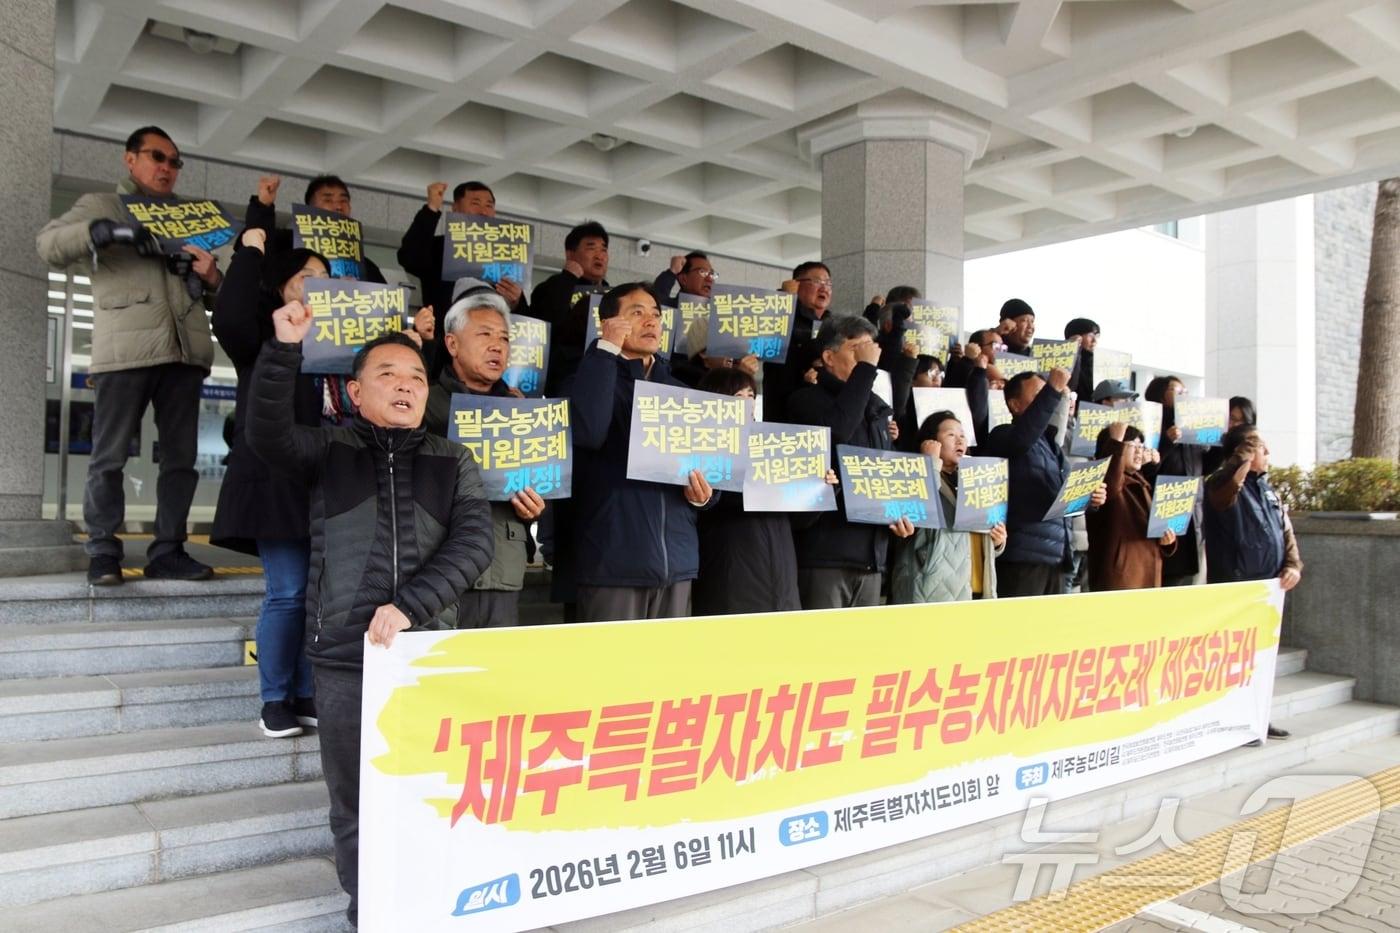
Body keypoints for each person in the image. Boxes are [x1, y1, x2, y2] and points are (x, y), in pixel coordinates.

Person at [246, 313, 494, 929]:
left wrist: (411, 606)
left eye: (415, 374)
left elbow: (473, 546)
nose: (405, 384)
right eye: (387, 374)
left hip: (427, 656)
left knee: (432, 793)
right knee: (354, 802)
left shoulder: (453, 458)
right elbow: (267, 433)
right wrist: (282, 349)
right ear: (356, 392)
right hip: (343, 661)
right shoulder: (329, 450)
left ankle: (428, 902)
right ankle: (369, 911)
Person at [36, 125, 223, 585]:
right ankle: (102, 549)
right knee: (109, 456)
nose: (166, 168)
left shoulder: (189, 218)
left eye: (175, 161)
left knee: (180, 459)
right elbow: (49, 244)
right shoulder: (104, 205)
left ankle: (169, 549)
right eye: (157, 157)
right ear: (130, 159)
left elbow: (222, 294)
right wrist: (104, 232)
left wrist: (212, 275)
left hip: (184, 351)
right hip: (125, 350)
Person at [210, 228, 329, 738]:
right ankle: (275, 699)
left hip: (327, 484)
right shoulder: (262, 338)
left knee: (315, 595)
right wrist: (251, 248)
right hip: (272, 484)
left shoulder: (341, 345)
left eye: (328, 280)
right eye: (307, 277)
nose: (320, 286)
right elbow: (230, 315)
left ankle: (304, 693)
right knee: (288, 591)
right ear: (282, 288)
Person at [568, 283, 717, 622]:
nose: (651, 321)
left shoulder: (682, 393)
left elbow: (712, 472)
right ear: (608, 323)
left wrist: (703, 496)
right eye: (637, 313)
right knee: (612, 672)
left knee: (670, 673)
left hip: (678, 564)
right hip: (614, 563)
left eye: (656, 314)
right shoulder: (588, 377)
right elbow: (587, 432)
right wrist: (605, 351)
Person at [422, 290, 546, 627]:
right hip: (435, 567)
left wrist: (535, 508)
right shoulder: (424, 403)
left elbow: (543, 483)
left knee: (493, 674)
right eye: (484, 334)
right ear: (451, 344)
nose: (497, 346)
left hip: (501, 566)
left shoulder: (523, 413)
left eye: (504, 338)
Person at [786, 315, 916, 609]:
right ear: (828, 357)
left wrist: (900, 515)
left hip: (871, 557)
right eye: (857, 348)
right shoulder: (807, 400)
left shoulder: (879, 411)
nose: (867, 356)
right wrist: (867, 369)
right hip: (825, 557)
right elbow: (839, 429)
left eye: (871, 349)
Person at [1204, 423, 1300, 743]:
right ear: (1243, 452)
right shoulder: (1223, 483)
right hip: (1237, 588)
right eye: (1261, 447)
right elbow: (1224, 488)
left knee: (1261, 659)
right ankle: (1230, 722)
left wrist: (1292, 565)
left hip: (1268, 589)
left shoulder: (1268, 488)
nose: (1268, 454)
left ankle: (1257, 718)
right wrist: (1243, 454)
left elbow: (1284, 531)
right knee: (1234, 661)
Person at [691, 368, 803, 616]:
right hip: (731, 574)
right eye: (736, 394)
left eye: (750, 393)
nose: (746, 401)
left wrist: (820, 488)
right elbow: (711, 504)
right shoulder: (698, 444)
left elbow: (798, 520)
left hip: (781, 577)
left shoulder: (776, 447)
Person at [983, 369, 1104, 597]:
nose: (1048, 398)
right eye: (1039, 395)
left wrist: (1090, 498)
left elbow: (1063, 498)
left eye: (1047, 394)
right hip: (1024, 556)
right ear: (1014, 405)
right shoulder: (1002, 435)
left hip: (1059, 555)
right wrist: (1052, 389)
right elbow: (1021, 440)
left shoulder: (1052, 446)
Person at [397, 181, 529, 374]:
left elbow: (526, 320)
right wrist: (432, 208)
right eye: (475, 203)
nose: (483, 211)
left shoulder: (506, 257)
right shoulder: (440, 247)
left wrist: (516, 302)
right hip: (442, 355)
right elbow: (409, 257)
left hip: (491, 358)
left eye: (489, 205)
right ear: (456, 209)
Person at [890, 411, 1007, 603]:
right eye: (951, 435)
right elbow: (919, 509)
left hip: (976, 590)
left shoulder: (976, 479)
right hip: (932, 591)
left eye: (962, 436)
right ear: (931, 441)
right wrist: (930, 464)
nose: (960, 441)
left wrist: (997, 542)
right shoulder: (915, 475)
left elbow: (973, 538)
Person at [242, 174, 387, 283]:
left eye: (344, 200)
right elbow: (256, 246)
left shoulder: (365, 266)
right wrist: (263, 206)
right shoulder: (286, 244)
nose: (338, 206)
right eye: (328, 200)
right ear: (310, 208)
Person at [1086, 422, 1177, 591]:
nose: (1138, 451)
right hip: (1120, 580)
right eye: (1132, 445)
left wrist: (1167, 542)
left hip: (1146, 576)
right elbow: (1111, 483)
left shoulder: (1141, 483)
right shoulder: (1103, 482)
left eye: (1141, 446)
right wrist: (1116, 441)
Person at [530, 220, 610, 396]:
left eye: (603, 249)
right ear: (570, 254)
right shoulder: (550, 288)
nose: (600, 255)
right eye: (591, 248)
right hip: (564, 379)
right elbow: (546, 326)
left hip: (603, 377)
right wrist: (568, 278)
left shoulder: (612, 296)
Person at [1146, 375, 1206, 586]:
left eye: (1185, 392)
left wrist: (1222, 446)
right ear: (1160, 396)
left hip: (1193, 515)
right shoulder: (1151, 426)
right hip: (1165, 512)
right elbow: (1147, 470)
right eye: (1177, 391)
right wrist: (1167, 442)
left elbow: (1204, 467)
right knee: (1170, 576)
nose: (1183, 395)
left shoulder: (1192, 430)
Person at [765, 260, 834, 422]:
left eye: (828, 283)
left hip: (823, 413)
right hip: (784, 411)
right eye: (817, 281)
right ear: (796, 285)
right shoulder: (781, 316)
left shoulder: (833, 323)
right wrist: (785, 298)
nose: (824, 288)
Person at [1064, 317, 1100, 402]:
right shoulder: (1063, 360)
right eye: (1090, 335)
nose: (1094, 341)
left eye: (1097, 336)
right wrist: (1074, 348)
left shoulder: (1098, 364)